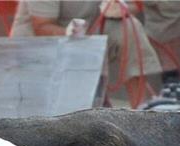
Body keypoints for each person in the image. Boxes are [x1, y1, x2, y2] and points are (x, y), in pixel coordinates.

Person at [10, 0, 162, 107]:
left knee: (129, 26)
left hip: (88, 36)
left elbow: (133, 5)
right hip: (38, 48)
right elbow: (41, 26)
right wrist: (71, 34)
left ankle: (141, 108)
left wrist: (121, 7)